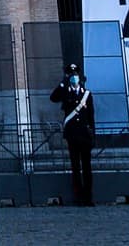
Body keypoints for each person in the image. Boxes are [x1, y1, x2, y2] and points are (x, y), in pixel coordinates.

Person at [49, 63, 98, 207]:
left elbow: (91, 116)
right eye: (71, 75)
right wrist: (63, 83)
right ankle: (78, 196)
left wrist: (93, 135)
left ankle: (88, 197)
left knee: (87, 167)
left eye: (75, 74)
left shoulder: (86, 94)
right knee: (75, 167)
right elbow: (53, 97)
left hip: (84, 135)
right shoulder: (65, 92)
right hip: (72, 135)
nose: (73, 77)